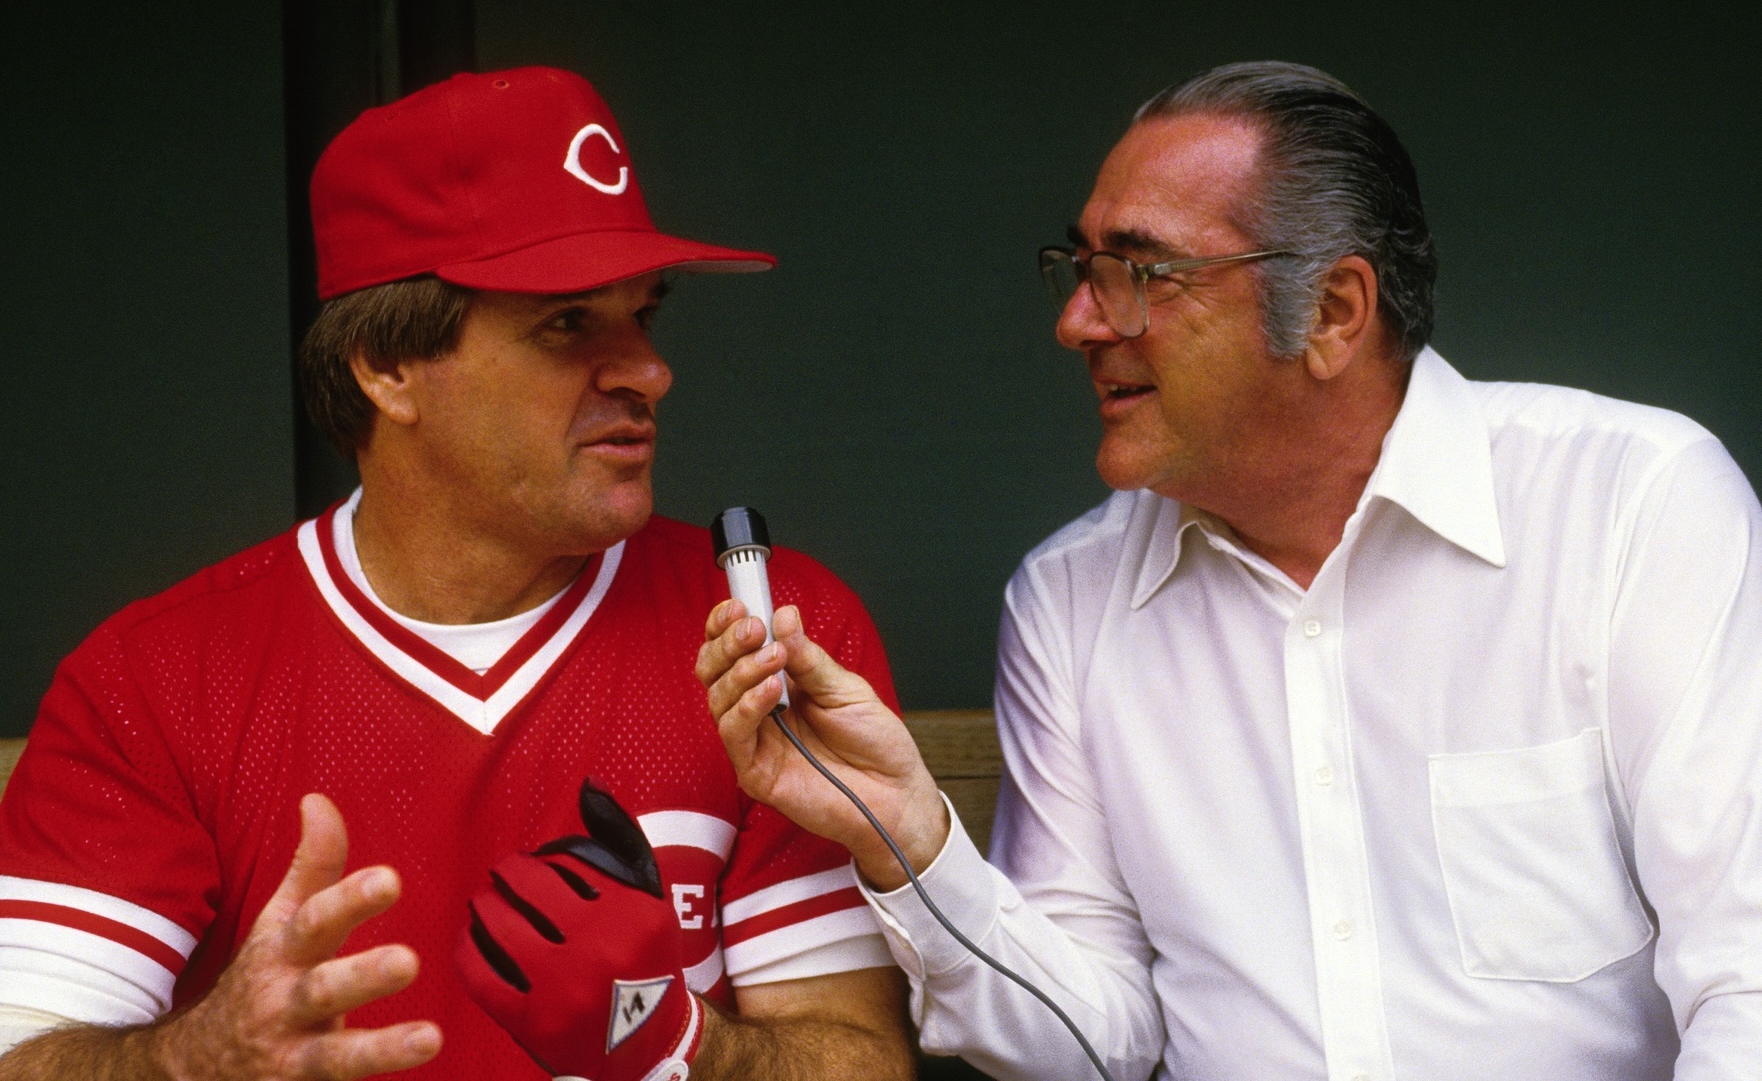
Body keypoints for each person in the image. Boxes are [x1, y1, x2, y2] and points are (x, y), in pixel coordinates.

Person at [697, 61, 1762, 1080]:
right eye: (1080, 270)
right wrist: (913, 838)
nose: (1077, 321)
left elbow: (1746, 976)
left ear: (1335, 312)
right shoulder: (1071, 600)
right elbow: (1092, 1041)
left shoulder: (1631, 506)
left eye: (1142, 272)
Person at [0, 67, 912, 1080]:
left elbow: (857, 1060)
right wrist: (194, 1060)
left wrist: (677, 1040)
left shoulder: (762, 628)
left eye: (645, 314)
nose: (648, 370)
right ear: (386, 367)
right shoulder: (159, 681)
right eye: (568, 322)